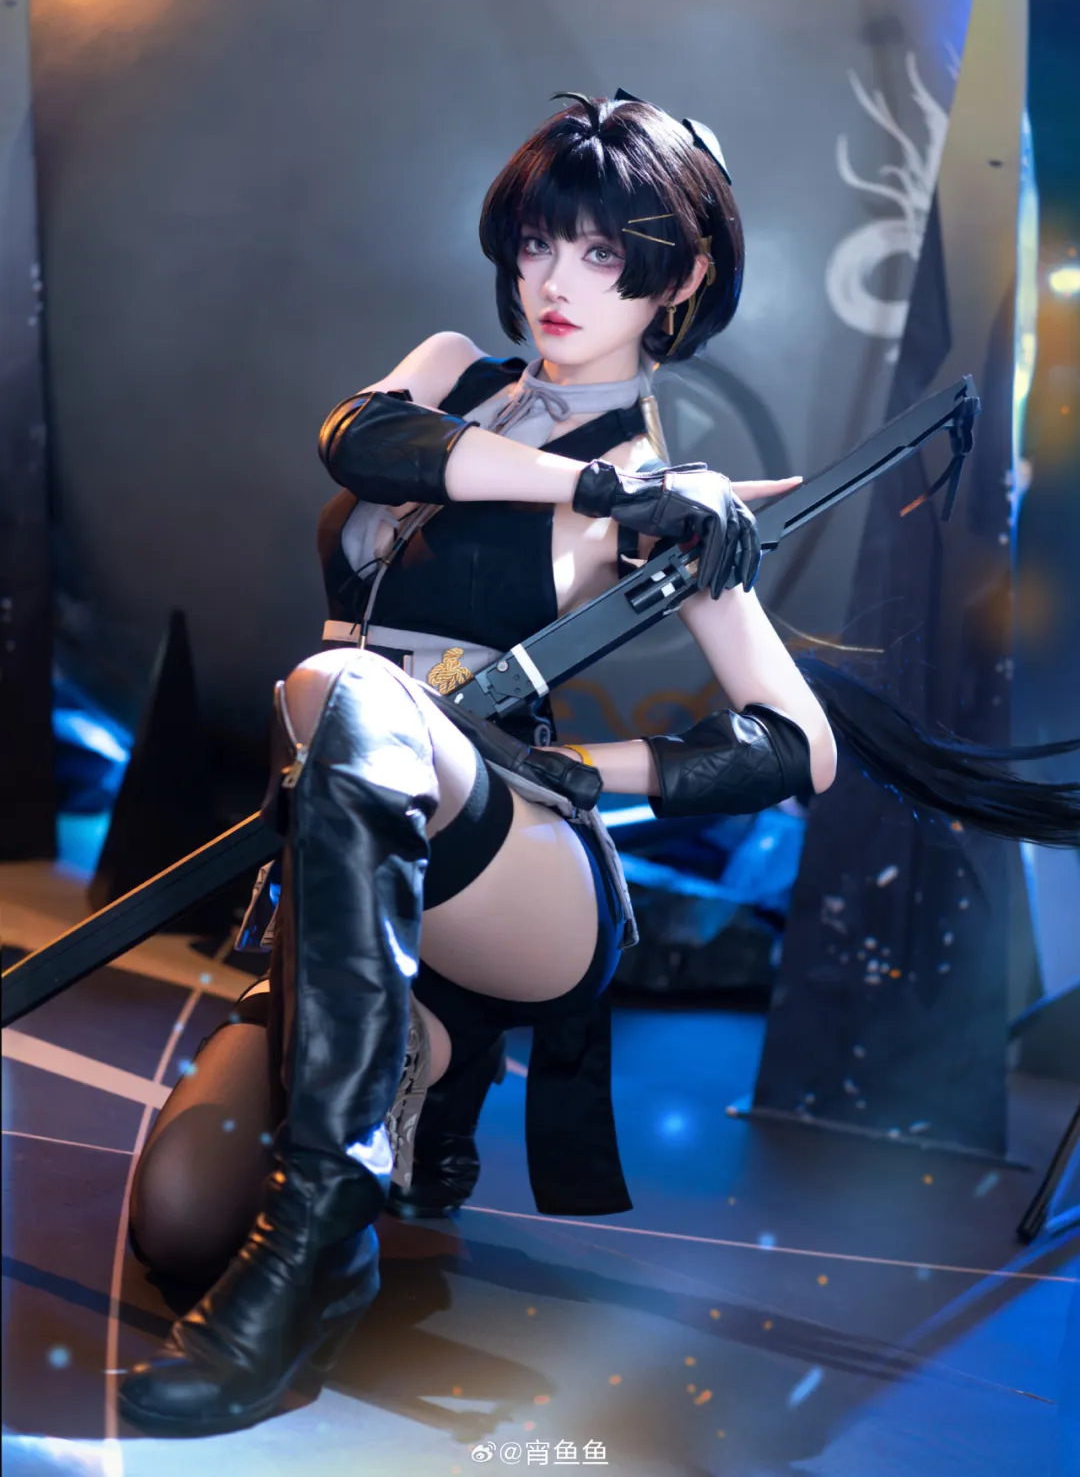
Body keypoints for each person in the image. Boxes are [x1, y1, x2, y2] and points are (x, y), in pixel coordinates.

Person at [118, 93, 1079, 1437]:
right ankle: (420, 1089)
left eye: (605, 255)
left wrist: (592, 767)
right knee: (176, 1220)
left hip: (513, 872)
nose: (556, 284)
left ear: (678, 279)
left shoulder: (669, 491)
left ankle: (318, 1243)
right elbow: (361, 443)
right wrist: (594, 491)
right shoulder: (461, 378)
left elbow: (797, 744)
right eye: (537, 245)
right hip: (349, 848)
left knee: (340, 687)